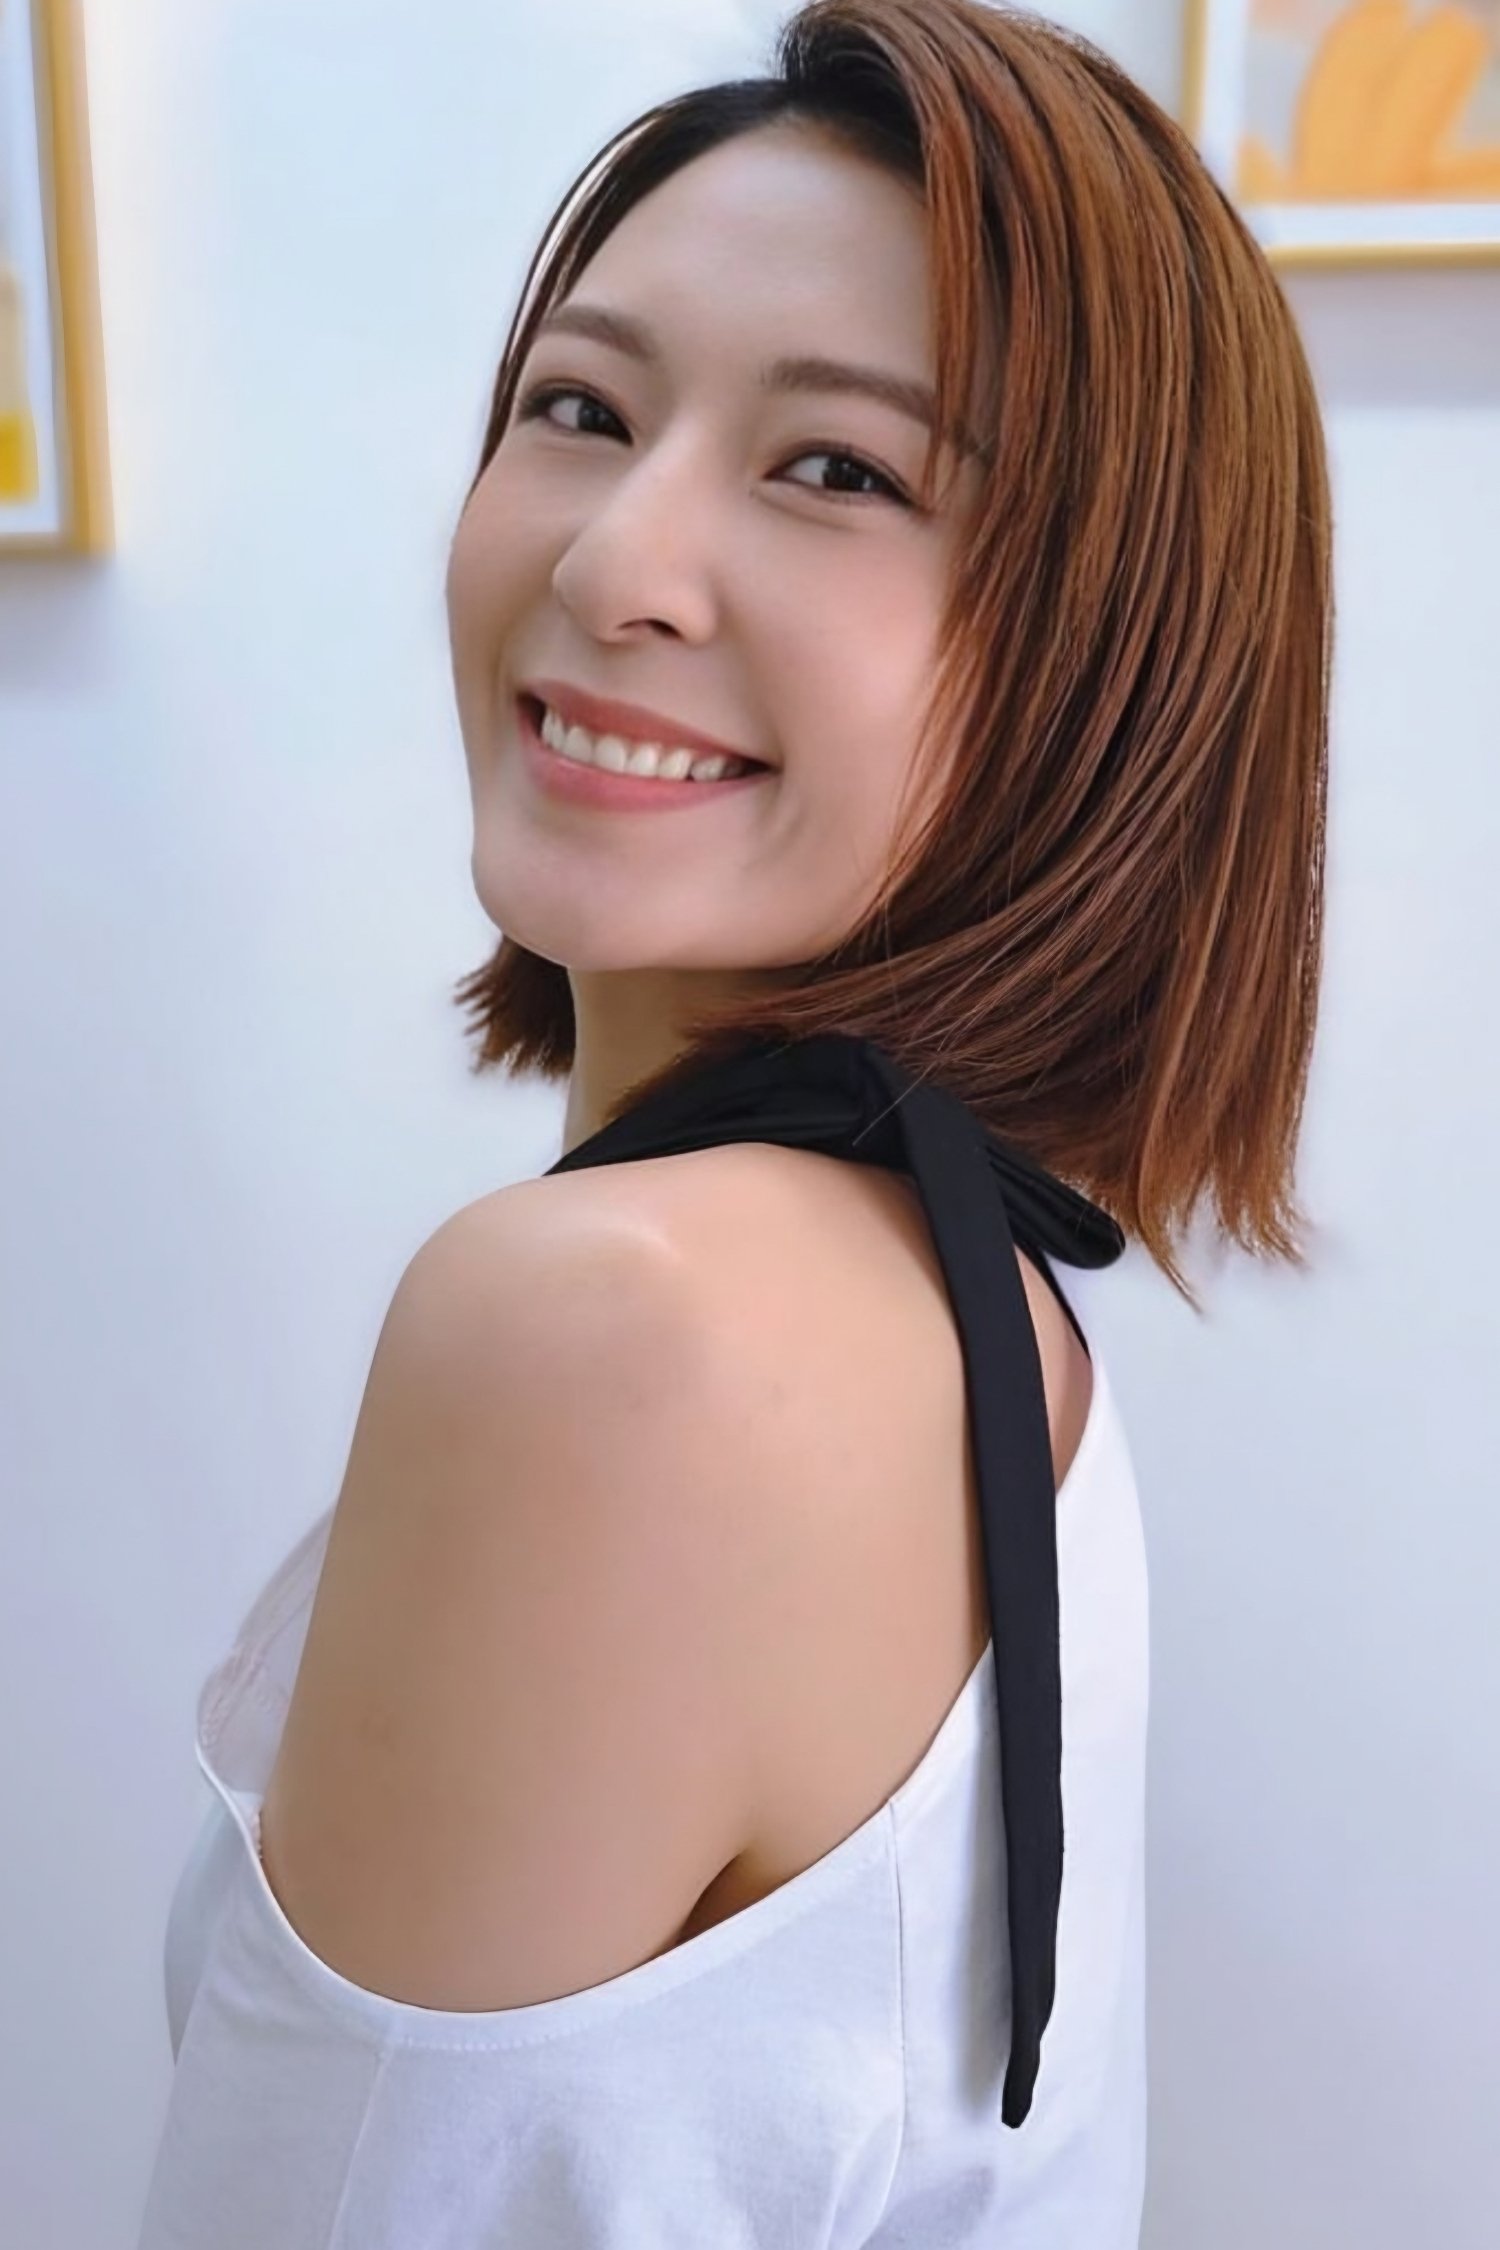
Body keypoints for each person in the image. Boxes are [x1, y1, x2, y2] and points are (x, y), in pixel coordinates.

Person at [135, 1, 1332, 2243]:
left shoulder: (622, 1334)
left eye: (840, 472)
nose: (615, 564)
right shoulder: (979, 1301)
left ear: (1105, 667)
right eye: (581, 409)